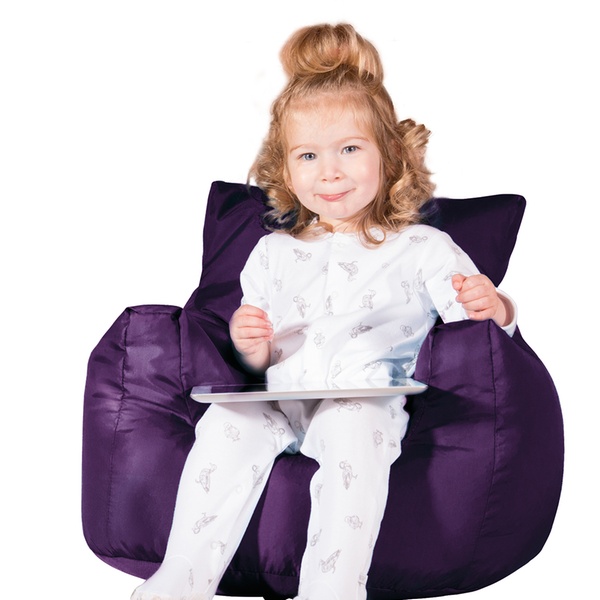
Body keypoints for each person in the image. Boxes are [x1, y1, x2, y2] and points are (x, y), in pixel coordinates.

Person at [131, 23, 516, 600]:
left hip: (364, 400)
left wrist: (497, 306)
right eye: (308, 155)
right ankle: (180, 581)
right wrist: (250, 342)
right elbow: (259, 353)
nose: (329, 171)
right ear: (286, 170)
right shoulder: (273, 251)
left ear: (389, 155)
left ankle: (332, 589)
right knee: (226, 424)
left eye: (350, 150)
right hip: (278, 399)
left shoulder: (421, 246)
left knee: (352, 434)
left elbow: (477, 329)